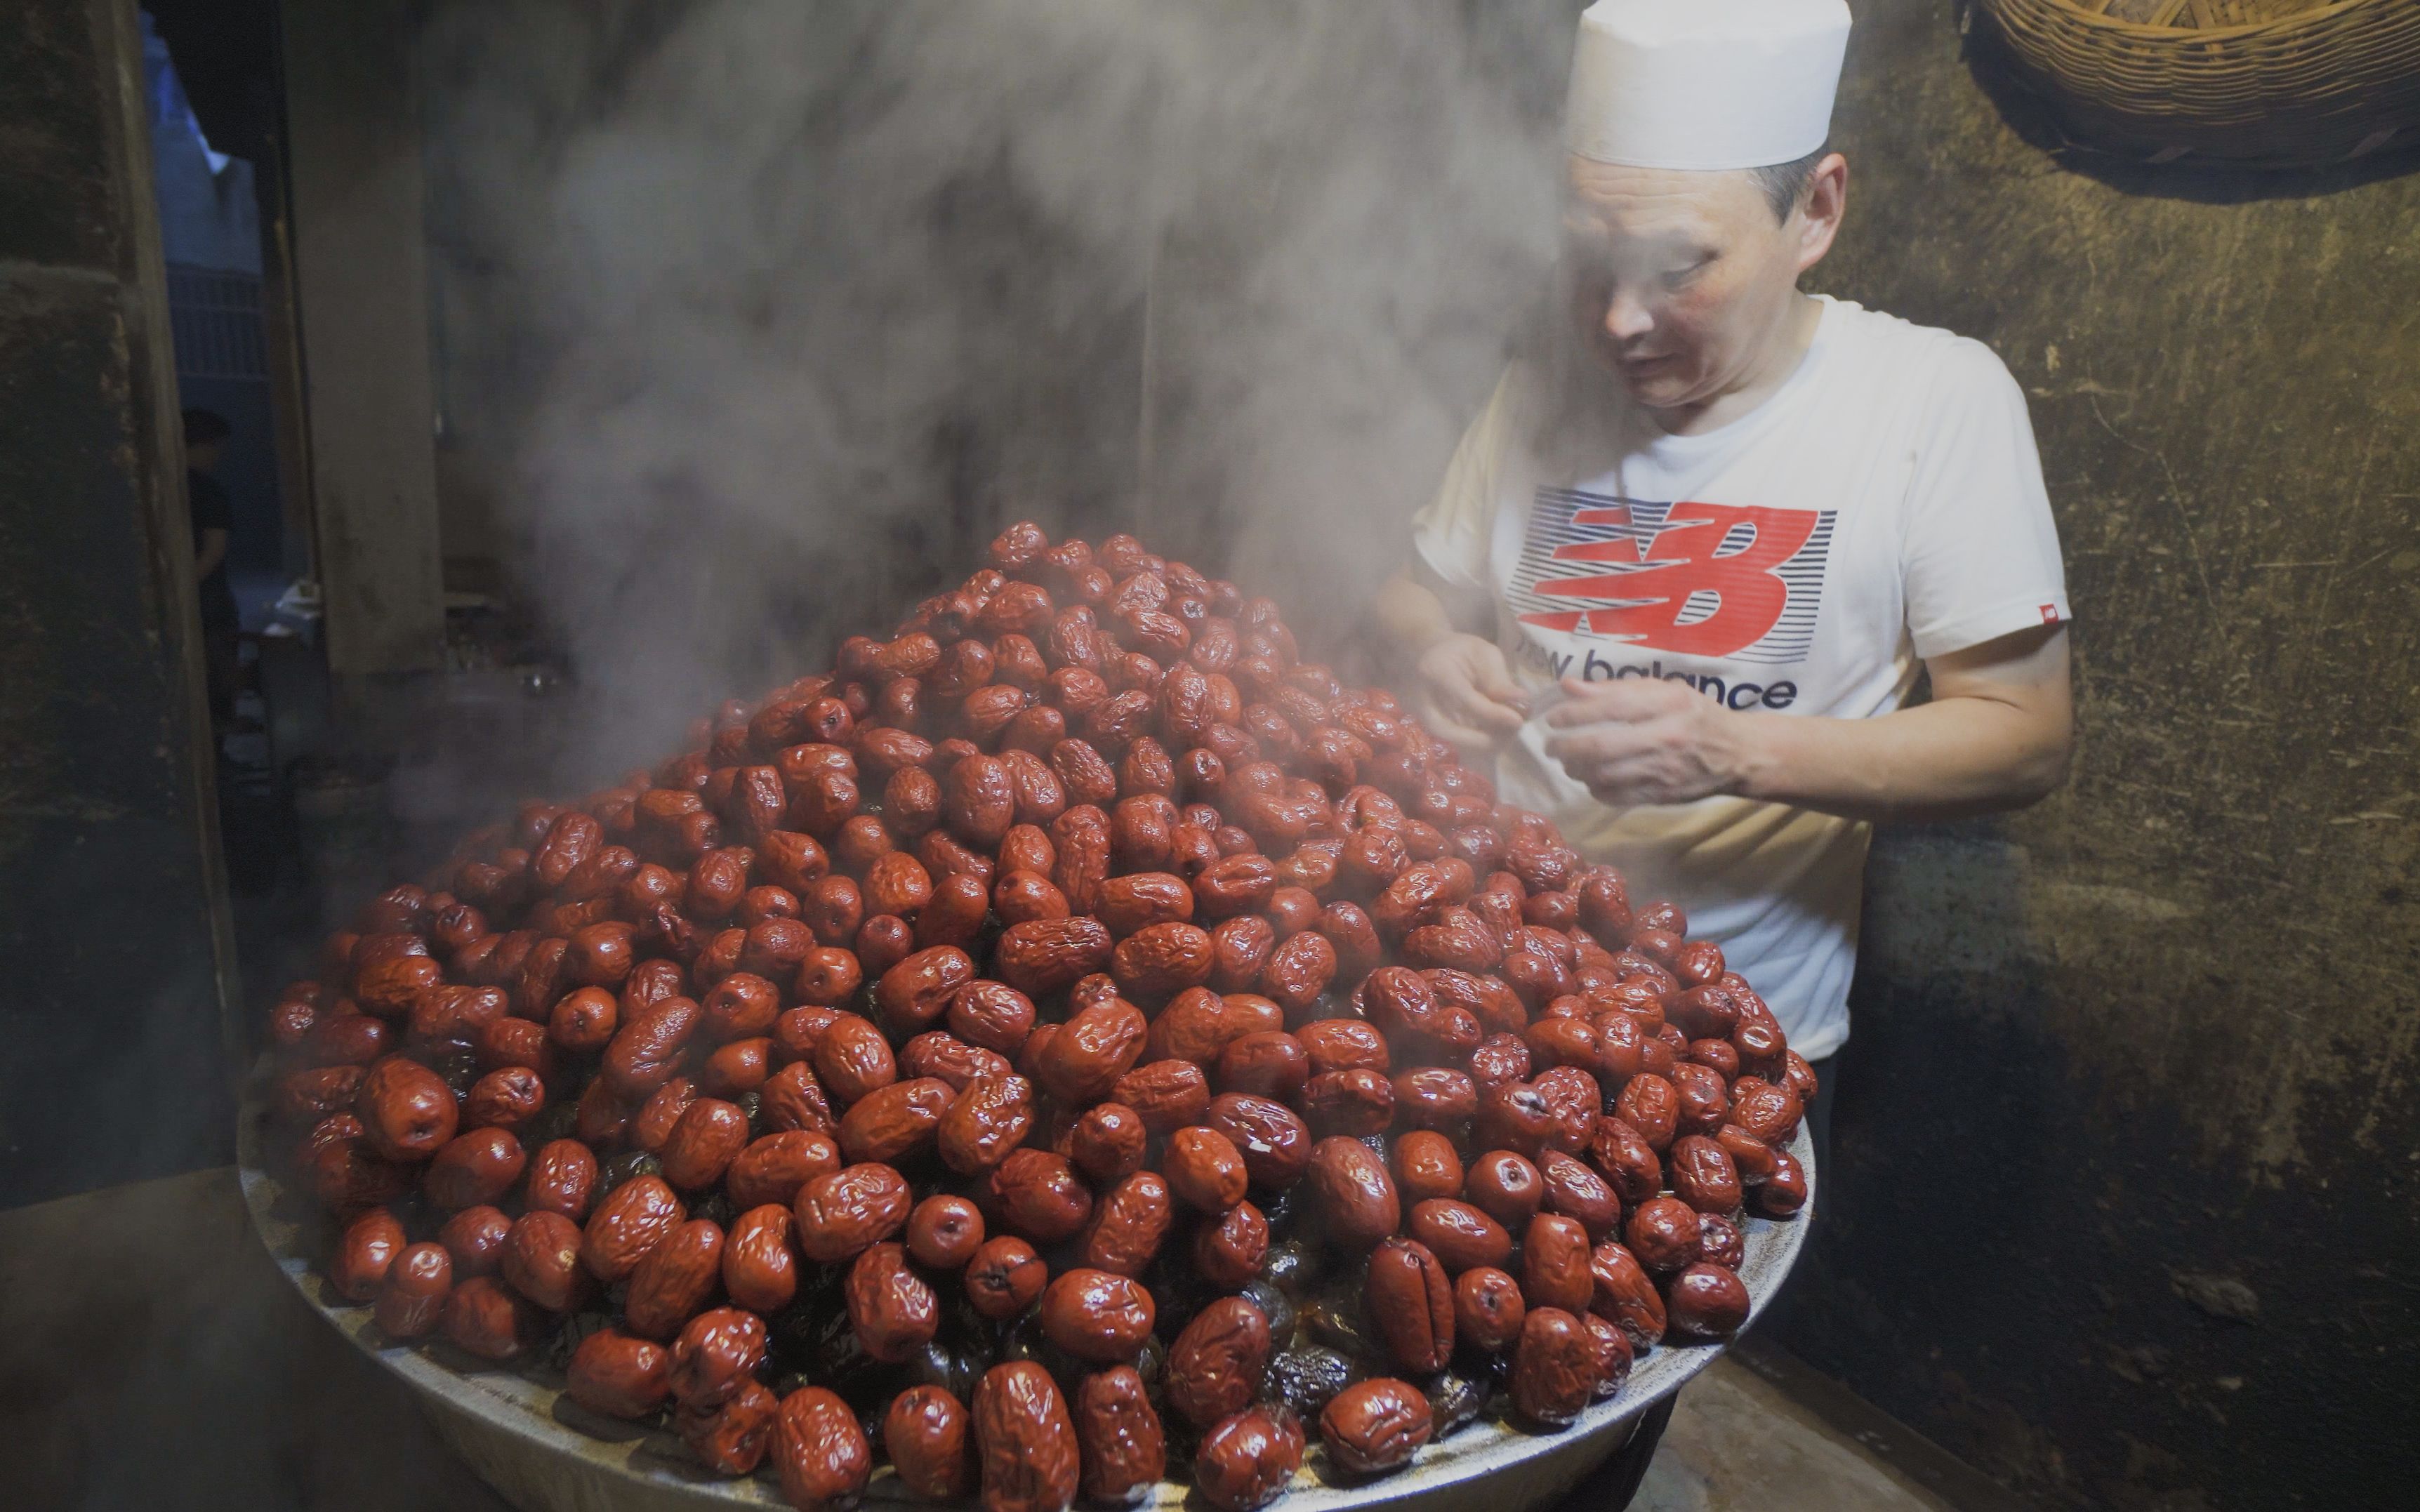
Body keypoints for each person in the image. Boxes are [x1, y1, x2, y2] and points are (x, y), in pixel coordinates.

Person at [1371, 3, 2074, 1499]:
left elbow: (2021, 737)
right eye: (1588, 259)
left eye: (1678, 264)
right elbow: (1414, 589)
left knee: (1598, 1409)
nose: (1618, 322)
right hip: (1485, 992)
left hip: (1720, 1051)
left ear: (1815, 208)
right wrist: (1439, 651)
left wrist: (1728, 752)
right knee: (1424, 1378)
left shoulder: (1927, 406)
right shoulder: (1538, 395)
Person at [183, 407, 243, 730]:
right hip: (211, 606)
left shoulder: (168, 488)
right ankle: (219, 761)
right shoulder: (208, 492)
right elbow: (213, 552)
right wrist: (185, 589)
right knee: (217, 685)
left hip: (197, 603)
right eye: (218, 448)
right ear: (204, 445)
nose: (219, 457)